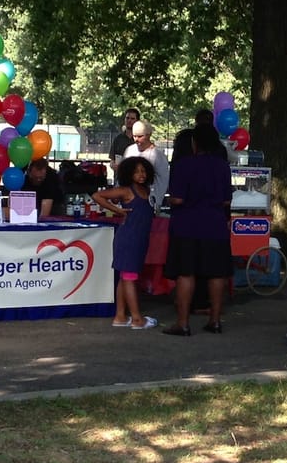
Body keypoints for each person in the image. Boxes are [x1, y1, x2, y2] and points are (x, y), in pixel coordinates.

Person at [163, 125, 233, 336]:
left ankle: (183, 323)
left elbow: (177, 198)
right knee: (217, 273)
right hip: (215, 224)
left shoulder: (183, 165)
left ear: (195, 143)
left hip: (187, 224)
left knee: (186, 273)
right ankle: (215, 320)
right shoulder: (222, 166)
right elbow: (226, 199)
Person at [91, 157, 158, 330]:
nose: (141, 174)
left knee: (125, 277)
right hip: (129, 237)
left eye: (143, 171)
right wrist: (118, 210)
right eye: (136, 171)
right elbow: (97, 196)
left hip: (139, 238)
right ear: (129, 173)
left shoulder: (146, 190)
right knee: (129, 278)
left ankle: (120, 316)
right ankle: (137, 319)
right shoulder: (126, 191)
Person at [123, 120, 170, 212]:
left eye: (140, 136)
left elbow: (163, 180)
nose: (136, 139)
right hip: (128, 198)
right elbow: (123, 174)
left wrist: (157, 201)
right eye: (134, 136)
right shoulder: (129, 150)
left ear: (149, 135)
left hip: (149, 200)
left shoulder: (157, 155)